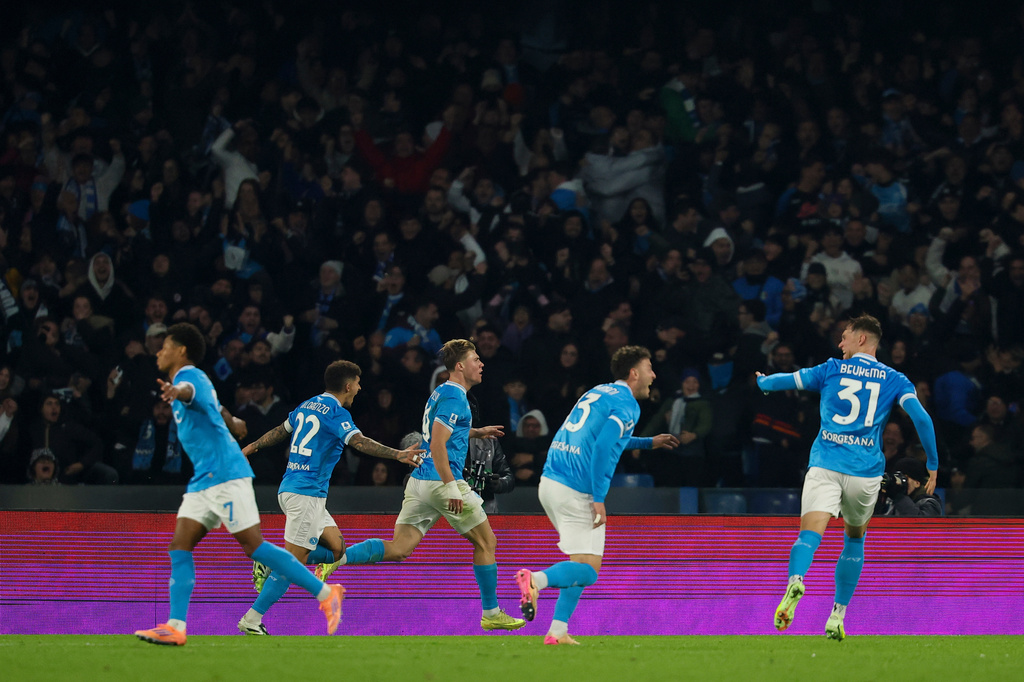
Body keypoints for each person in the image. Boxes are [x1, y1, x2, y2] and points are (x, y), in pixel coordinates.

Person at [134, 323, 345, 646]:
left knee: (255, 547)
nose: (159, 351)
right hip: (205, 478)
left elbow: (191, 395)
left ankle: (326, 593)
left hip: (226, 475)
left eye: (165, 346)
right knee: (180, 547)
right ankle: (176, 626)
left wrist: (178, 393)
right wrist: (233, 422)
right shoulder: (194, 382)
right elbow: (213, 407)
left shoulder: (188, 378)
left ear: (181, 351)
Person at [315, 339, 526, 631]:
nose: (482, 364)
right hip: (442, 481)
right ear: (460, 366)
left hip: (420, 482)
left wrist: (475, 432)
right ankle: (491, 613)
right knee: (486, 542)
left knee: (400, 548)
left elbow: (442, 432)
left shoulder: (442, 391)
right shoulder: (455, 398)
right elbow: (438, 442)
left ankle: (336, 559)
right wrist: (452, 487)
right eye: (475, 359)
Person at [755, 314, 939, 641]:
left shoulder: (831, 369)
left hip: (826, 463)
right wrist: (934, 464)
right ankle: (837, 616)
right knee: (854, 539)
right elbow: (922, 418)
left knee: (809, 535)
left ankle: (796, 580)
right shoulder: (896, 379)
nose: (840, 344)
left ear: (863, 339)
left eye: (845, 337)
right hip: (865, 474)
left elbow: (788, 380)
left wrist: (764, 384)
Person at [238, 359, 424, 635]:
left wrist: (251, 447)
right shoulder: (337, 414)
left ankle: (271, 560)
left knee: (337, 549)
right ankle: (252, 619)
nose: (359, 389)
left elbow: (280, 431)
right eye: (358, 384)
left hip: (293, 488)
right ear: (348, 385)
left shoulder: (308, 404)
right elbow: (359, 442)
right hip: (306, 495)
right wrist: (397, 454)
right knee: (292, 564)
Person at [513, 346, 679, 645]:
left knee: (580, 563)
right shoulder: (628, 405)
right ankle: (535, 580)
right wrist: (599, 497)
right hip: (578, 489)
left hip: (550, 481)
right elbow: (603, 448)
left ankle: (558, 631)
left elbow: (601, 437)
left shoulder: (599, 392)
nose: (653, 375)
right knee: (589, 572)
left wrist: (647, 442)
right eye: (649, 368)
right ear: (634, 373)